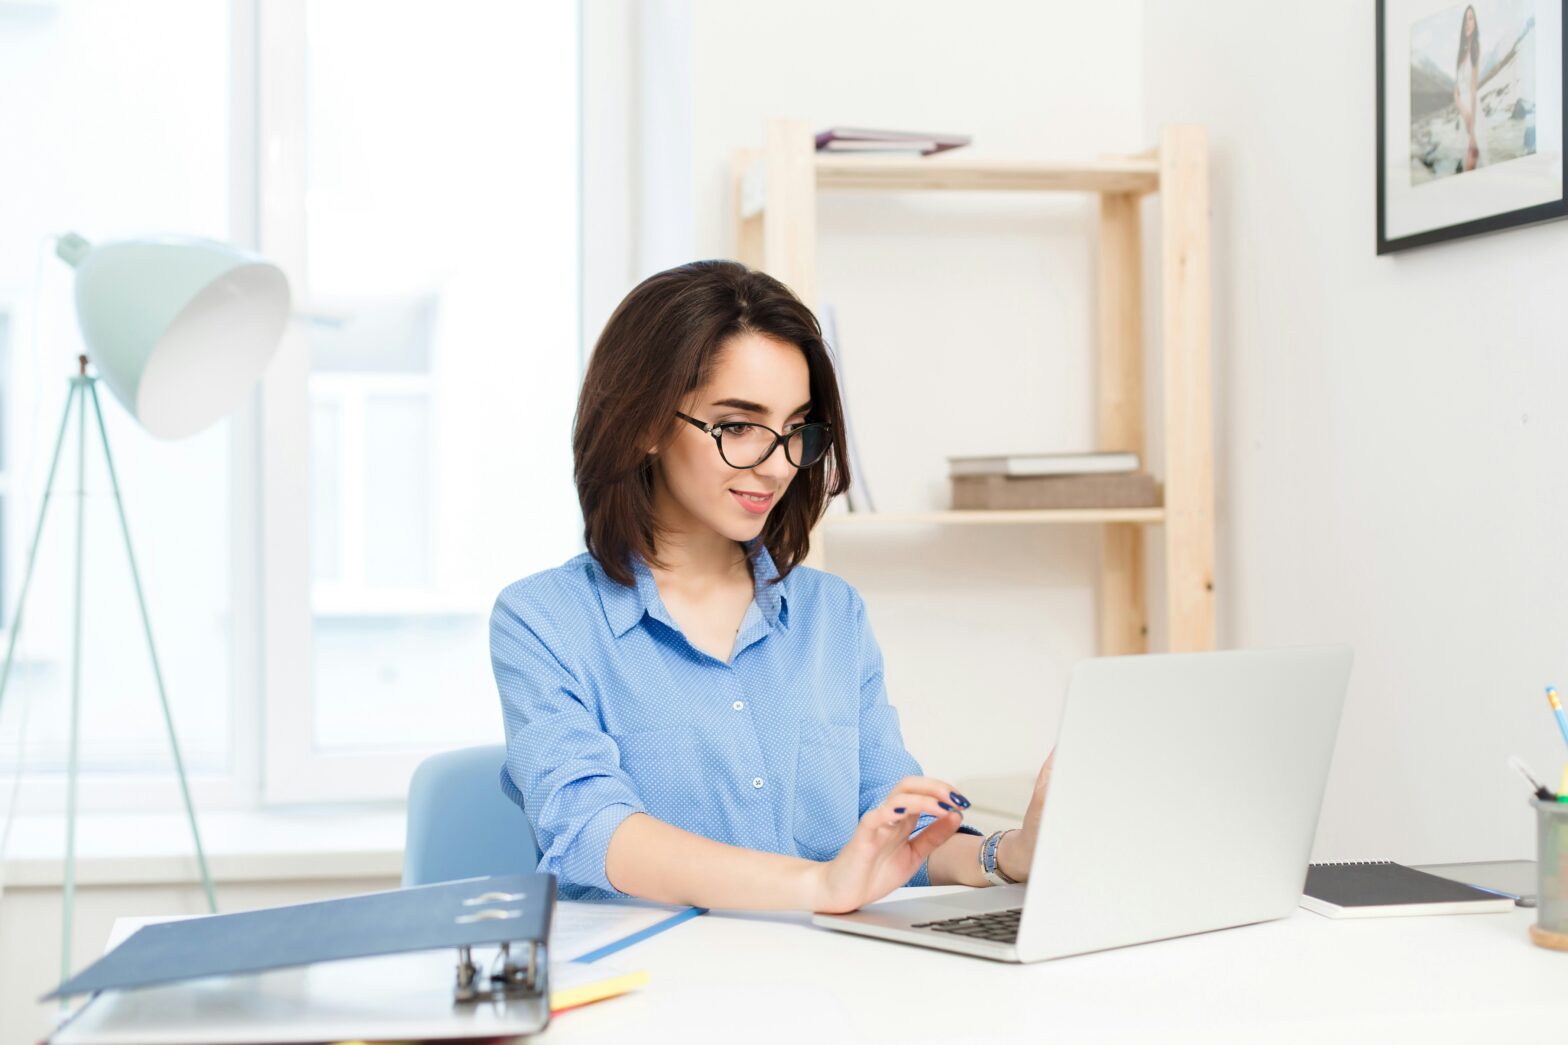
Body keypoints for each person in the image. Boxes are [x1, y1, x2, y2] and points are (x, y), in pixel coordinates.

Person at [491, 260, 1053, 914]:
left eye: (795, 430)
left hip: (823, 979)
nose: (777, 462)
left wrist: (1006, 853)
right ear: (644, 423)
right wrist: (817, 884)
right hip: (652, 988)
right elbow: (592, 830)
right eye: (737, 425)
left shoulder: (832, 614)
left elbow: (888, 830)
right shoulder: (543, 620)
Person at [1453, 4, 1489, 172]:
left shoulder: (1475, 47)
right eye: (1465, 19)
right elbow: (1456, 92)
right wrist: (1463, 111)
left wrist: (1473, 133)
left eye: (1471, 18)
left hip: (1474, 115)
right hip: (1464, 115)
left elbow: (1473, 89)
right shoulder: (1460, 54)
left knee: (1474, 161)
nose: (1468, 23)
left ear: (1475, 23)